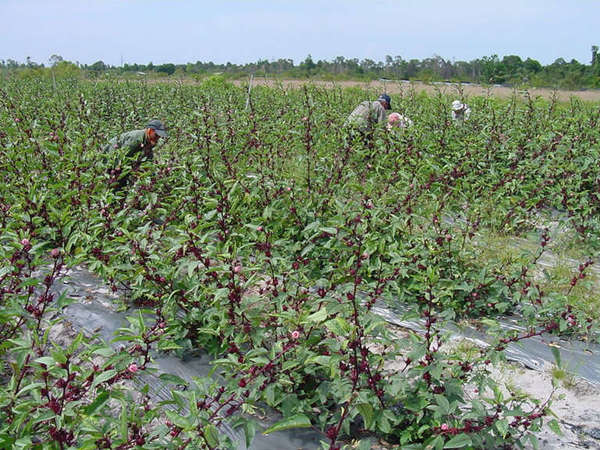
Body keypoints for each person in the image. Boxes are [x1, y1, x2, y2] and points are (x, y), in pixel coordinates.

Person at [103, 119, 167, 189]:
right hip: (111, 155)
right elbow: (122, 155)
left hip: (121, 160)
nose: (158, 138)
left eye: (159, 136)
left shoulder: (150, 141)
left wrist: (153, 178)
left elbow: (148, 161)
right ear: (150, 130)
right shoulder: (136, 138)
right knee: (114, 183)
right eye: (156, 135)